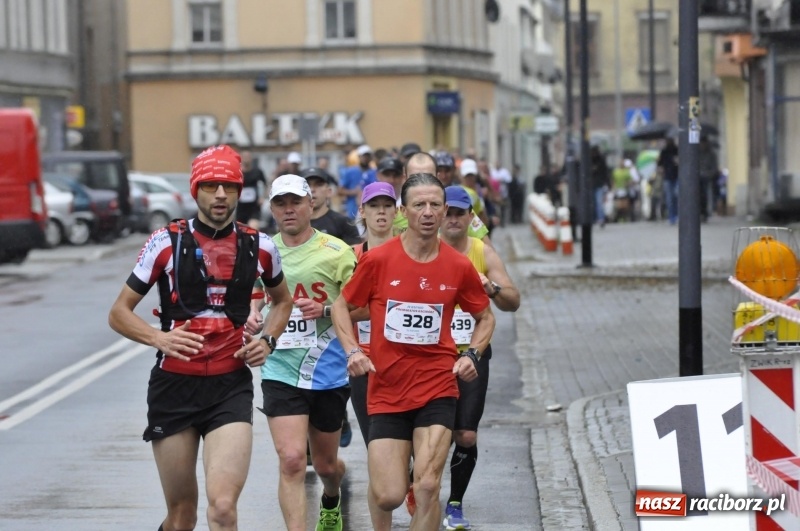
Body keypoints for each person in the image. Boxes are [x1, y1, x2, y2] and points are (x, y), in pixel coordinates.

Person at [107, 144, 294, 531]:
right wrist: (158, 339)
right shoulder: (165, 242)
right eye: (210, 186)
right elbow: (119, 313)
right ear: (196, 191)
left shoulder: (260, 246)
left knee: (223, 508)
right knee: (182, 517)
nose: (220, 195)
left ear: (240, 191)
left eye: (229, 186)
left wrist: (268, 341)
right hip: (174, 387)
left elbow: (283, 301)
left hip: (229, 387)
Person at [331, 173, 496, 531]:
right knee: (388, 494)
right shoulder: (378, 260)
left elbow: (485, 317)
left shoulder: (458, 265)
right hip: (387, 389)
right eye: (419, 205)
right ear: (404, 211)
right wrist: (352, 351)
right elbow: (341, 306)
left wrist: (472, 354)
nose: (428, 212)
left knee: (427, 486)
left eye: (435, 204)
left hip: (437, 387)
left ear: (444, 210)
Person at [252, 174, 357, 531]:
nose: (288, 209)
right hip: (279, 367)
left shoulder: (336, 251)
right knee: (293, 460)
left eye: (295, 202)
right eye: (280, 203)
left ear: (311, 204)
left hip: (327, 369)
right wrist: (252, 314)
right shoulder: (262, 251)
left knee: (326, 465)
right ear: (271, 209)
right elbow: (253, 294)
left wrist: (325, 308)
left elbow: (364, 306)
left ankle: (331, 496)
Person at [438, 185, 521, 529]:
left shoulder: (482, 251)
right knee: (429, 432)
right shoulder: (423, 250)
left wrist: (493, 289)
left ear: (471, 217)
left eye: (460, 213)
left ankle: (455, 503)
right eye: (448, 212)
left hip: (473, 353)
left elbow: (513, 301)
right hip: (431, 355)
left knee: (465, 435)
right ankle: (420, 484)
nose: (453, 219)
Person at [349, 181, 399, 445]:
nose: (381, 211)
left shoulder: (410, 253)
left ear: (396, 212)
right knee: (374, 442)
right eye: (374, 205)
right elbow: (341, 308)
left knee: (409, 442)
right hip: (363, 362)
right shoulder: (350, 256)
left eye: (387, 205)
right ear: (362, 211)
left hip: (403, 359)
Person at [303, 166, 361, 246]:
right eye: (307, 185)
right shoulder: (293, 225)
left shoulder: (345, 224)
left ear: (329, 191)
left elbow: (354, 252)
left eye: (318, 184)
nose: (312, 189)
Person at [339, 144, 375, 220]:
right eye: (364, 156)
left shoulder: (374, 172)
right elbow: (340, 191)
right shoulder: (350, 171)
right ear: (359, 157)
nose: (365, 158)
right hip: (353, 212)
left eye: (367, 156)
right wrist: (353, 192)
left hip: (370, 213)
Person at [237, 150, 267, 229]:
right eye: (244, 157)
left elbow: (266, 184)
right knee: (240, 229)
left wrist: (263, 197)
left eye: (248, 157)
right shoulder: (237, 172)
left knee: (253, 227)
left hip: (254, 206)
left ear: (251, 158)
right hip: (241, 207)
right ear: (241, 159)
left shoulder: (257, 171)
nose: (246, 159)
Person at [657, 137, 679, 225]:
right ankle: (671, 216)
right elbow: (659, 164)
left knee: (677, 195)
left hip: (677, 176)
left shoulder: (677, 150)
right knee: (669, 198)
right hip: (667, 177)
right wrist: (660, 169)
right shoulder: (664, 152)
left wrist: (678, 162)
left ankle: (677, 215)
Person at [698, 136, 719, 223]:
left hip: (707, 178)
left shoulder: (711, 154)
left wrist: (710, 174)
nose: (702, 145)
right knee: (698, 196)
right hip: (698, 178)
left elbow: (714, 167)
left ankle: (705, 213)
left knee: (706, 195)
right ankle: (700, 213)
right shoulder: (697, 153)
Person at [590, 145, 610, 227]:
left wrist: (607, 183)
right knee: (595, 202)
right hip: (593, 184)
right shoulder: (589, 160)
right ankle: (596, 218)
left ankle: (600, 218)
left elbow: (605, 172)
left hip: (598, 184)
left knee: (598, 202)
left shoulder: (601, 160)